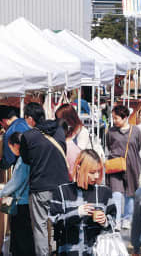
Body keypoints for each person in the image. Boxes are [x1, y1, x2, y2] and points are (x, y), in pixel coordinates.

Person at [20, 102, 69, 256]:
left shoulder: (28, 136)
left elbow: (26, 160)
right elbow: (63, 153)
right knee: (61, 223)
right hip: (62, 187)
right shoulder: (60, 131)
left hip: (39, 187)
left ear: (29, 118)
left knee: (40, 227)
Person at [50, 149, 116, 255]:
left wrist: (105, 221)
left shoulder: (104, 192)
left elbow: (113, 222)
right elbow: (55, 222)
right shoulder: (62, 191)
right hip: (69, 252)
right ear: (79, 169)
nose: (96, 176)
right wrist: (77, 213)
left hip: (97, 251)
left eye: (99, 171)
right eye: (92, 172)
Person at [106, 105, 141, 230]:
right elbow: (109, 145)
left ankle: (127, 218)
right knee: (116, 193)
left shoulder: (135, 131)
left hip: (132, 164)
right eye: (113, 118)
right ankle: (116, 220)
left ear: (125, 117)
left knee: (130, 193)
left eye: (116, 118)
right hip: (115, 164)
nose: (114, 121)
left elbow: (138, 145)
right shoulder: (111, 131)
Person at [0, 132, 35, 256]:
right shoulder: (31, 157)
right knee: (26, 236)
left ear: (15, 145)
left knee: (21, 238)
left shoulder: (22, 160)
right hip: (29, 201)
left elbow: (16, 182)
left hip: (21, 203)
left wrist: (1, 192)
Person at [55, 104, 91, 177]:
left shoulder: (82, 132)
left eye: (60, 119)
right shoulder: (67, 131)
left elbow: (79, 155)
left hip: (80, 172)